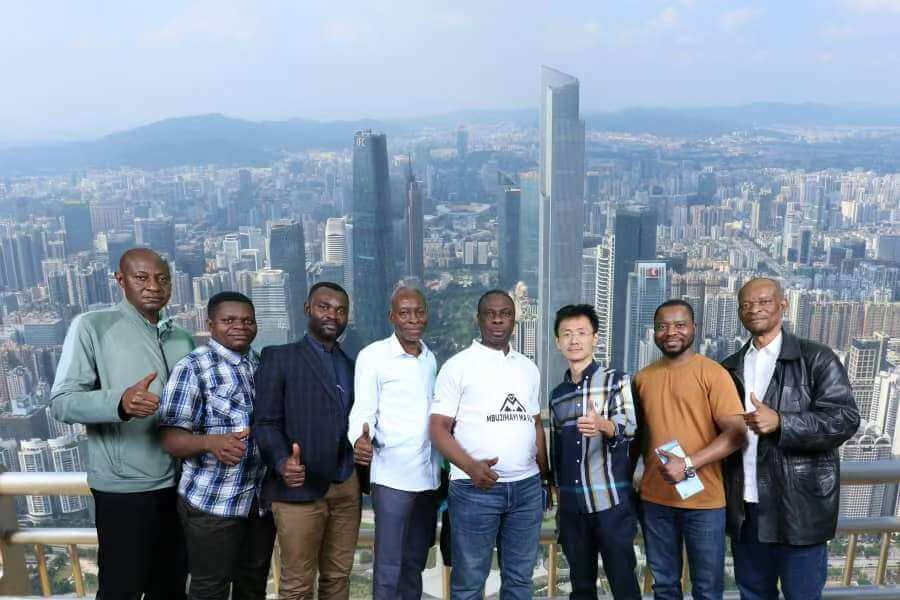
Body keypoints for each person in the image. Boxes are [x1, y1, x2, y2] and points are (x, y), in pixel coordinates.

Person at [51, 247, 195, 598]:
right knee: (122, 588)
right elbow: (62, 402)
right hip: (123, 490)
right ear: (121, 281)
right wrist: (119, 402)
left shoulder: (181, 338)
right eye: (141, 277)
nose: (153, 286)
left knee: (172, 587)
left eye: (162, 279)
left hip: (178, 488)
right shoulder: (92, 326)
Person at [721, 278, 859, 600]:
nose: (755, 309)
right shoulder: (728, 368)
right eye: (746, 304)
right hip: (746, 511)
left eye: (765, 301)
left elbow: (845, 419)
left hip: (799, 512)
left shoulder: (817, 359)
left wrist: (783, 422)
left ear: (783, 305)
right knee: (752, 594)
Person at [429, 289, 550, 600]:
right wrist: (472, 468)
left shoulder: (528, 368)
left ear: (514, 319)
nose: (498, 319)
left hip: (526, 490)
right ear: (479, 318)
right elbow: (438, 429)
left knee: (520, 581)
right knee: (470, 582)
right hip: (474, 490)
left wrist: (544, 477)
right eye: (490, 313)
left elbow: (535, 424)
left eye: (505, 313)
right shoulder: (457, 366)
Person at [159, 291, 275, 600]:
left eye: (247, 320)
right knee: (211, 588)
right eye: (229, 320)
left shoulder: (259, 364)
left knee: (253, 586)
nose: (240, 326)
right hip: (213, 503)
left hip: (259, 502)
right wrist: (211, 443)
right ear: (210, 325)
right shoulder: (193, 367)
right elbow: (170, 439)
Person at [254, 282, 362, 600]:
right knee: (298, 583)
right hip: (298, 487)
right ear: (307, 309)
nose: (333, 315)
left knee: (338, 577)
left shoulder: (351, 364)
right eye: (324, 307)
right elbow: (266, 422)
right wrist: (280, 461)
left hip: (346, 485)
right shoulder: (279, 357)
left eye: (341, 310)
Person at [633, 299, 746, 600]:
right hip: (655, 501)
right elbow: (639, 436)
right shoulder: (642, 378)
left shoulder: (713, 374)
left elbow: (737, 435)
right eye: (662, 326)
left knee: (707, 589)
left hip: (705, 503)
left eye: (680, 325)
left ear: (694, 329)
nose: (671, 332)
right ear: (654, 332)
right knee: (664, 587)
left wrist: (688, 464)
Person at [349, 286, 440, 600]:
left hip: (429, 477)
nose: (413, 319)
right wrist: (360, 439)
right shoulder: (373, 356)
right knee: (388, 568)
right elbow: (363, 408)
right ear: (392, 317)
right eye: (404, 313)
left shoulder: (430, 358)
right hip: (392, 477)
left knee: (414, 563)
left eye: (418, 312)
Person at [549, 304, 641, 600]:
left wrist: (603, 425)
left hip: (611, 502)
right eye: (566, 334)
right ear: (557, 342)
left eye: (581, 333)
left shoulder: (617, 380)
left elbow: (630, 427)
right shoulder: (558, 396)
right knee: (581, 586)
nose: (574, 340)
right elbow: (557, 452)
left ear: (595, 338)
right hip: (573, 508)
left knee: (623, 583)